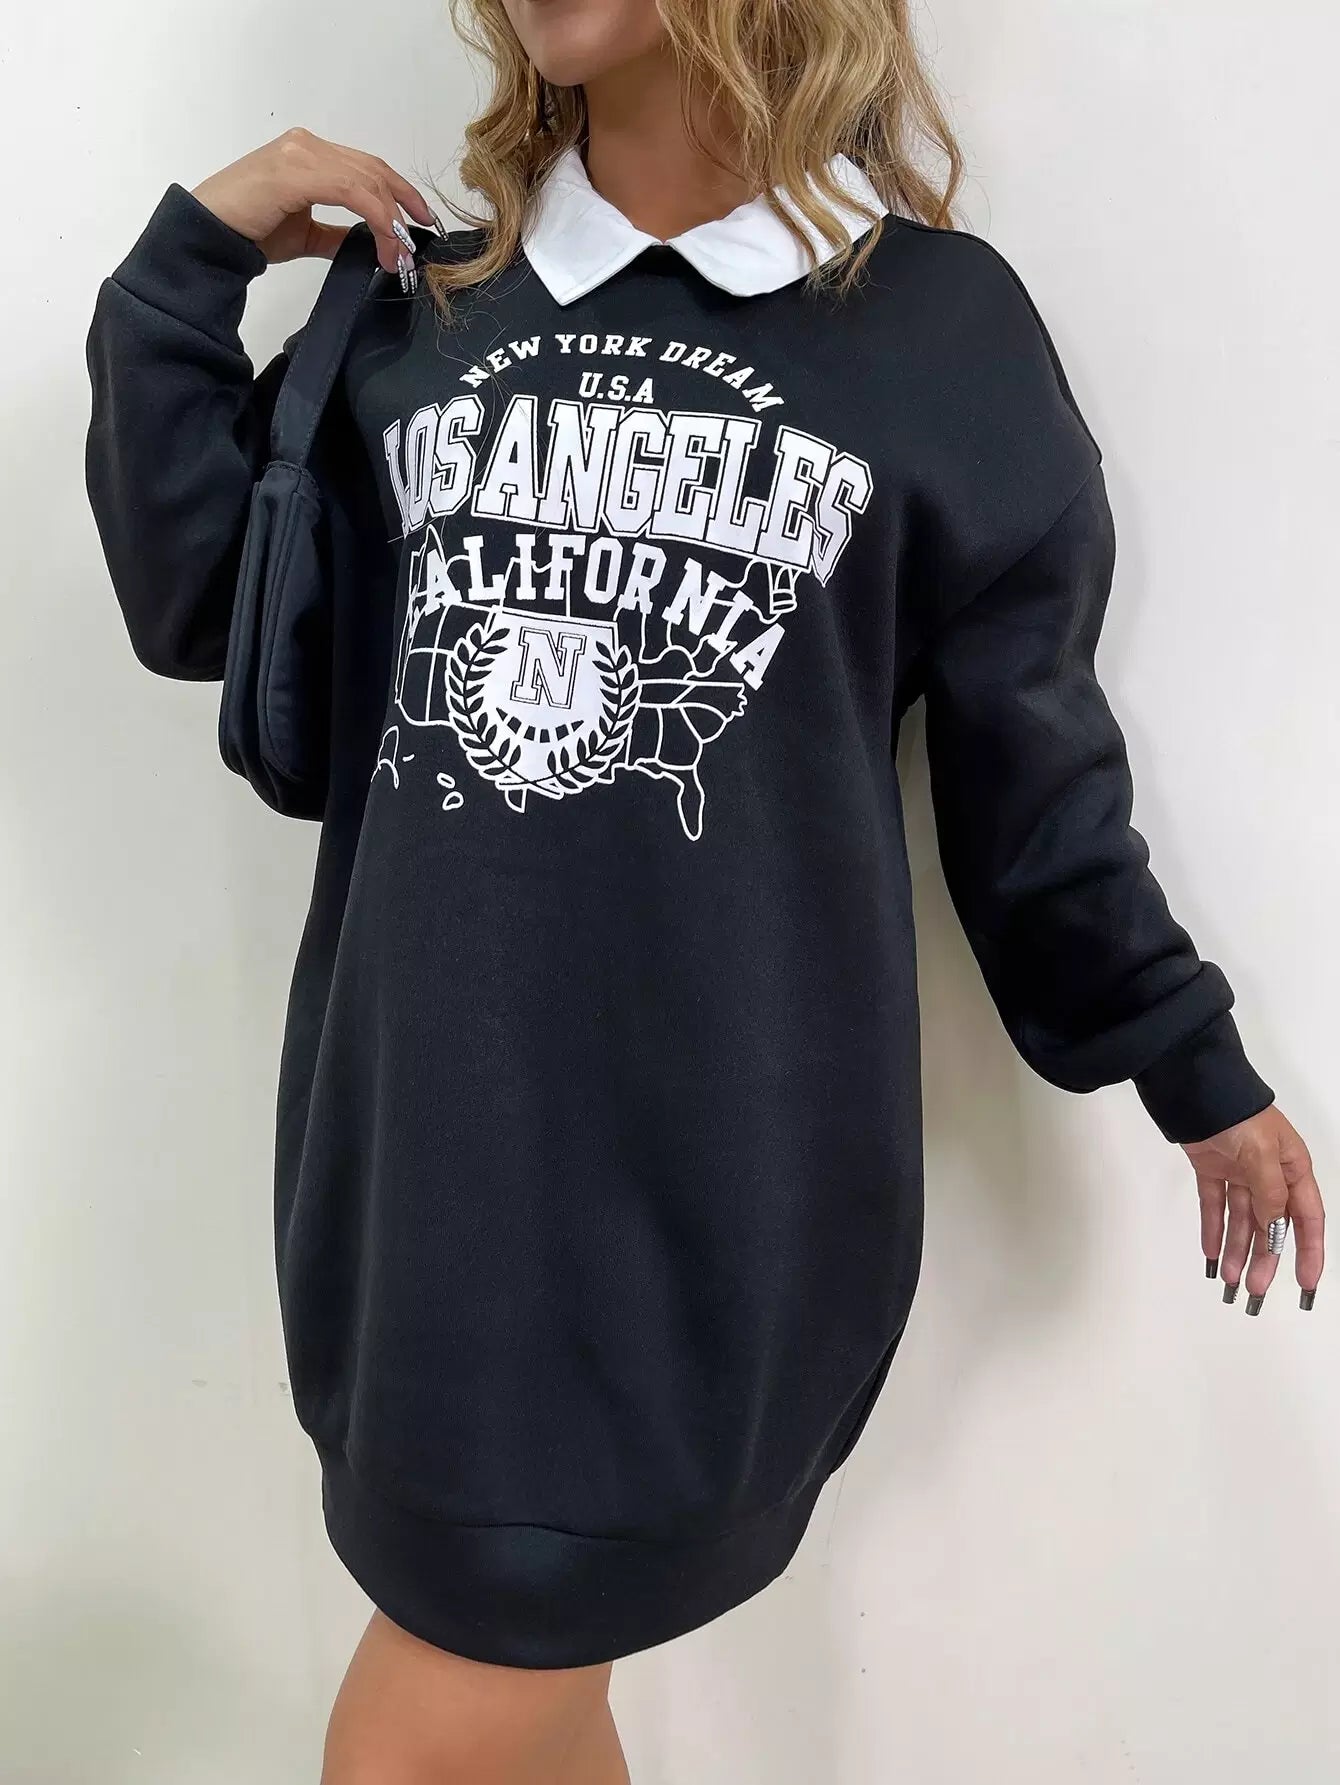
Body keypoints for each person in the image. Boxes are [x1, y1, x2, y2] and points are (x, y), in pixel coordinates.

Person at [83, 1, 1326, 1780]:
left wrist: (1193, 1063)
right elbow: (209, 610)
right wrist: (185, 271)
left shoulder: (940, 336)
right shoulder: (423, 311)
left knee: (441, 1722)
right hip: (424, 1200)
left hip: (721, 1200)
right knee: (523, 1711)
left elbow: (1036, 788)